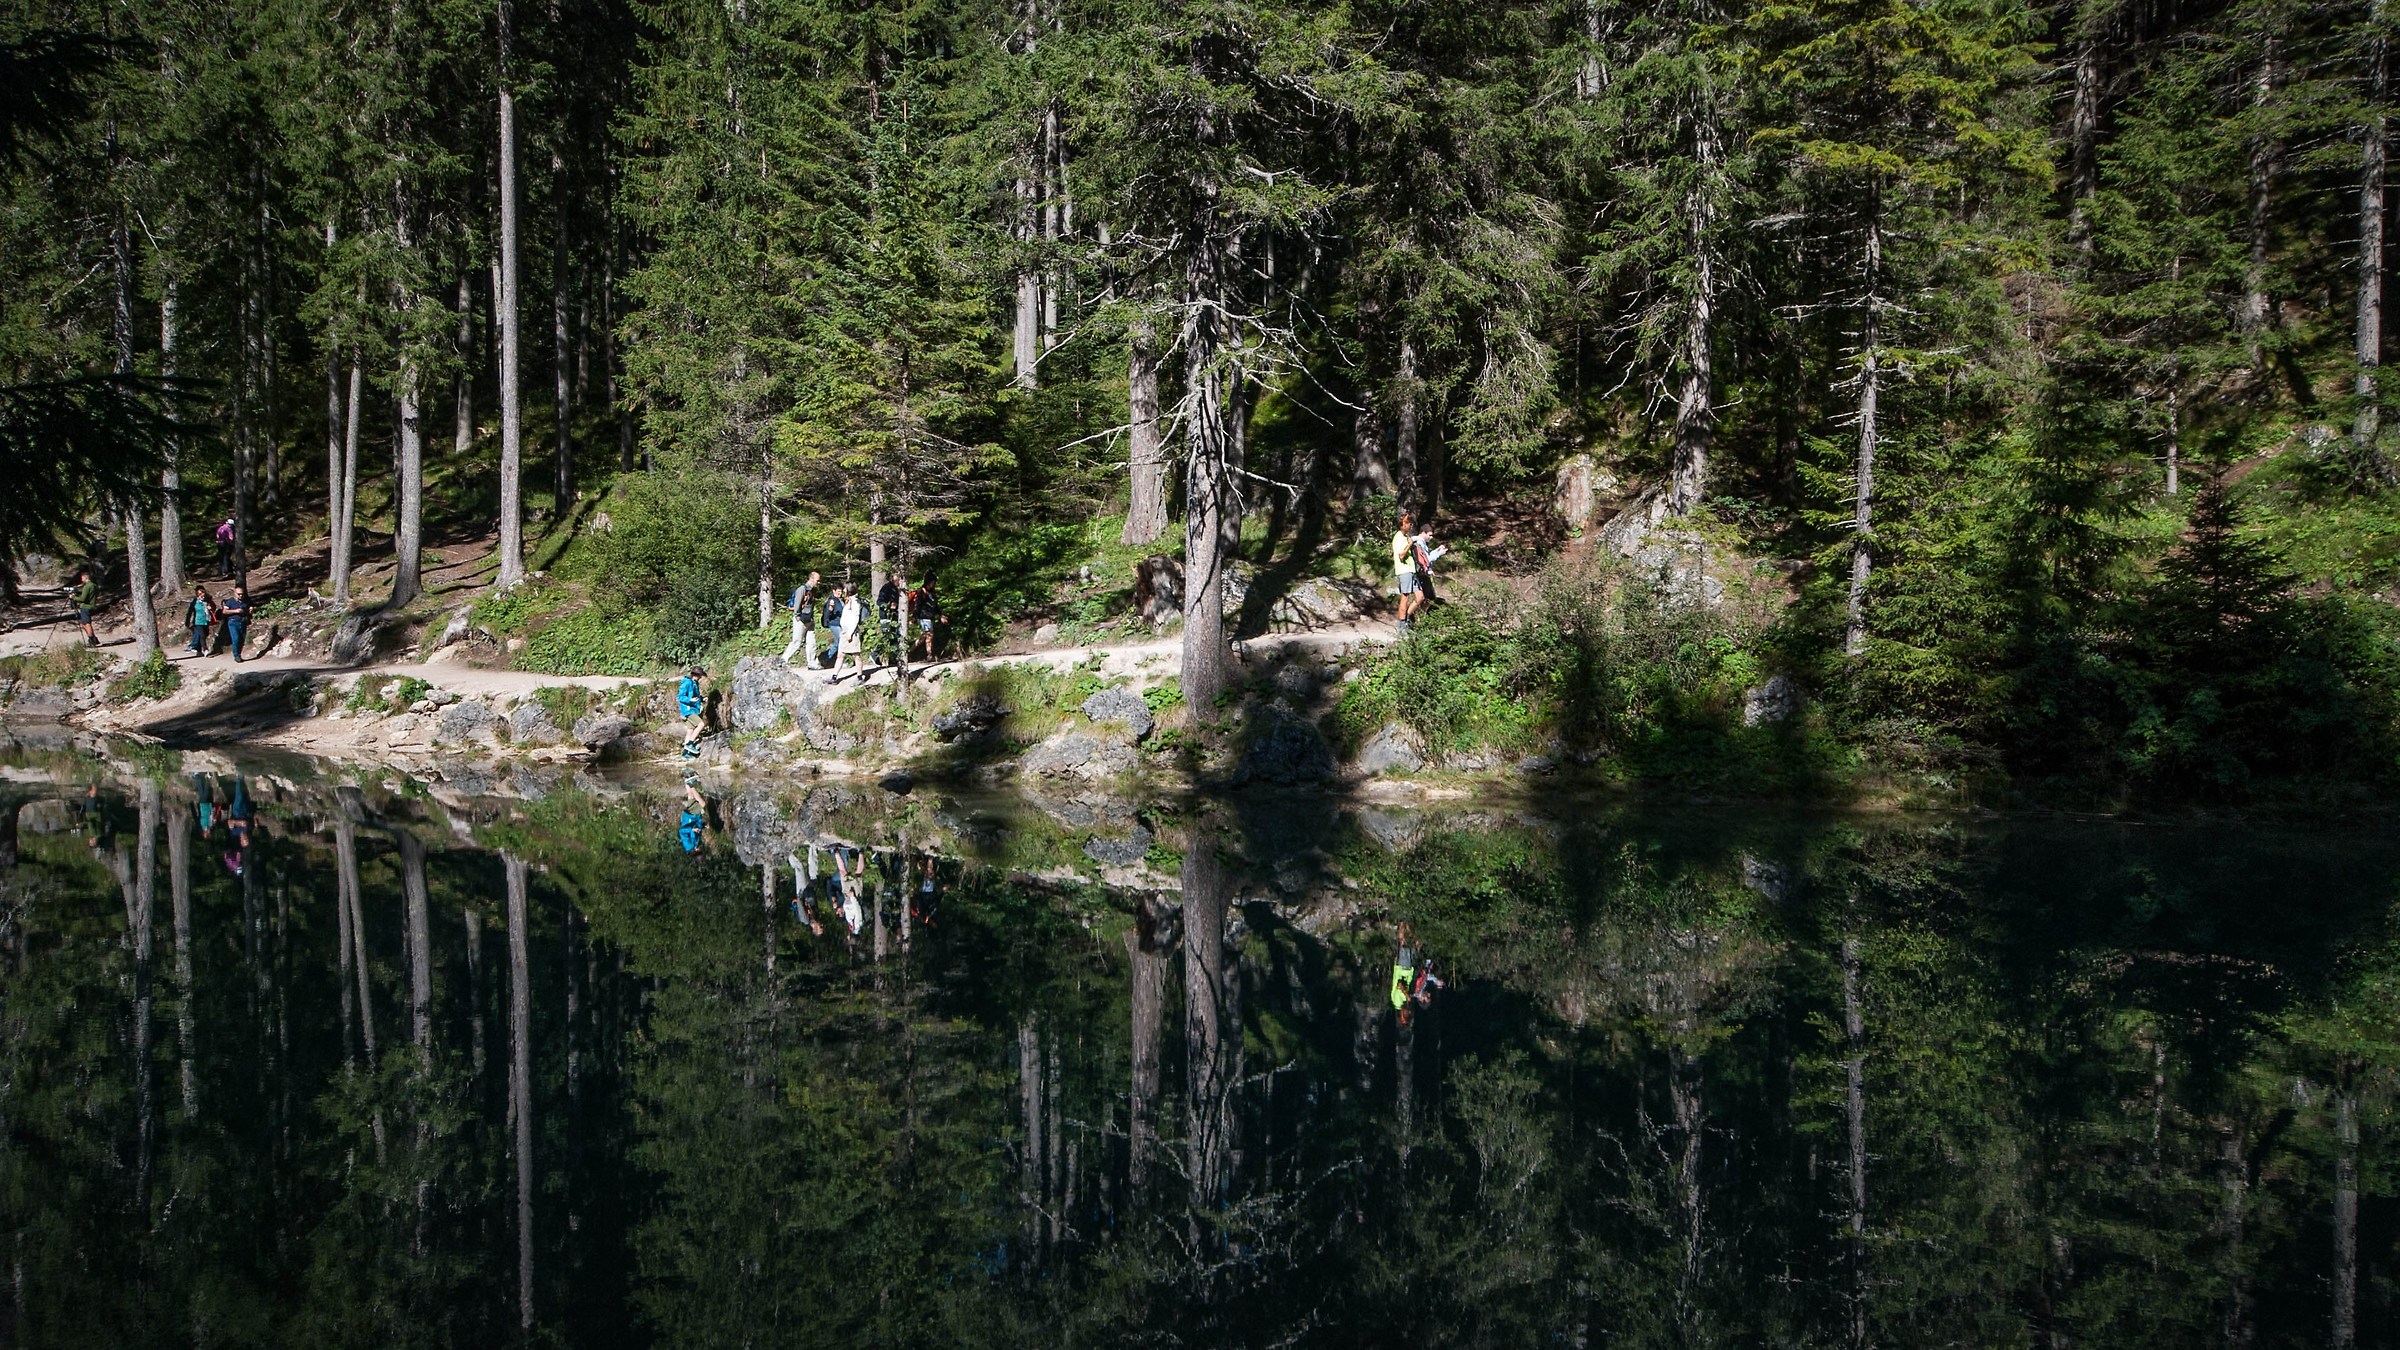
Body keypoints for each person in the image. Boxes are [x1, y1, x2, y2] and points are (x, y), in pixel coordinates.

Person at [780, 570, 822, 666]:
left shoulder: (812, 590)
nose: (818, 583)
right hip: (800, 620)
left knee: (812, 643)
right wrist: (798, 617)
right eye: (817, 580)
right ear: (811, 579)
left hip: (809, 620)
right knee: (796, 642)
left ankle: (812, 663)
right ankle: (783, 660)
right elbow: (797, 605)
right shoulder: (802, 589)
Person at [1392, 512, 1421, 631]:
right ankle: (1402, 624)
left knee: (1420, 597)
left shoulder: (1405, 536)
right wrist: (1409, 545)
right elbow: (1401, 555)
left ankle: (1408, 617)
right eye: (1408, 523)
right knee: (1405, 597)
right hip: (1404, 571)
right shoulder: (1398, 537)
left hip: (1411, 570)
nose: (1410, 525)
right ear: (1402, 524)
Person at [833, 584, 866, 681]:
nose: (843, 590)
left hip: (851, 632)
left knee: (856, 655)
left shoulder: (855, 602)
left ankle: (859, 677)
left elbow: (855, 618)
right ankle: (834, 676)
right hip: (845, 631)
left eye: (844, 589)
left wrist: (850, 633)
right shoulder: (849, 601)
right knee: (840, 654)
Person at [677, 666, 708, 758]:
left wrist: (702, 699)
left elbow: (695, 696)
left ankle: (685, 754)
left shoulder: (695, 683)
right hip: (688, 710)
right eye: (700, 676)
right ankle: (690, 744)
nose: (701, 678)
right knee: (701, 724)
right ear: (695, 675)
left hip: (693, 709)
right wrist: (690, 700)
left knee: (690, 731)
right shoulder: (687, 682)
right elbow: (681, 697)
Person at [219, 583, 252, 662]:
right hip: (233, 622)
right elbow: (224, 611)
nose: (241, 596)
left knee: (241, 639)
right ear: (235, 594)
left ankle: (239, 654)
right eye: (239, 594)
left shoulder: (245, 601)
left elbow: (250, 606)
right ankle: (236, 655)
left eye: (242, 594)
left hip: (243, 622)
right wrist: (235, 611)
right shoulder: (230, 601)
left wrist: (250, 609)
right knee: (235, 638)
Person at [910, 576, 940, 663]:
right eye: (933, 582)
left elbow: (935, 605)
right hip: (923, 617)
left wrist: (940, 614)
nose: (934, 584)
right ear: (928, 582)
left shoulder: (932, 592)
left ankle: (910, 651)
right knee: (929, 635)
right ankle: (930, 655)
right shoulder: (921, 592)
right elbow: (917, 606)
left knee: (924, 637)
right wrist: (915, 617)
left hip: (929, 617)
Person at [817, 586, 846, 669]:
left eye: (841, 591)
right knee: (840, 641)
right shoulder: (832, 600)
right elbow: (827, 615)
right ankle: (827, 658)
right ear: (834, 591)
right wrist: (830, 609)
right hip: (834, 623)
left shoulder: (841, 600)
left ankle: (829, 658)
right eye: (838, 591)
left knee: (838, 643)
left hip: (841, 623)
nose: (840, 593)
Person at [678, 779, 709, 854]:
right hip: (694, 818)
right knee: (691, 797)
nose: (701, 848)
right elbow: (698, 829)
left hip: (690, 818)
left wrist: (691, 829)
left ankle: (691, 784)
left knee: (702, 804)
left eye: (700, 851)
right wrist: (703, 826)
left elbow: (681, 831)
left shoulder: (688, 845)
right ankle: (686, 778)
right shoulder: (697, 843)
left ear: (696, 852)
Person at [70, 569, 99, 646]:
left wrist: (74, 597)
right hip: (91, 605)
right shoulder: (94, 585)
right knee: (83, 623)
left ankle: (91, 640)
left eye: (82, 578)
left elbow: (83, 599)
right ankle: (93, 638)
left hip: (86, 607)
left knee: (86, 623)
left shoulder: (87, 587)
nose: (81, 579)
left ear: (86, 577)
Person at [185, 585, 215, 658]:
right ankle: (205, 650)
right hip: (198, 621)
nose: (202, 597)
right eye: (200, 595)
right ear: (198, 595)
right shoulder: (195, 602)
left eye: (203, 595)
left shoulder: (208, 601)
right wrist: (187, 621)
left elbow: (213, 608)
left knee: (205, 634)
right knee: (202, 635)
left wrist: (211, 608)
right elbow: (190, 612)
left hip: (206, 620)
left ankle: (198, 651)